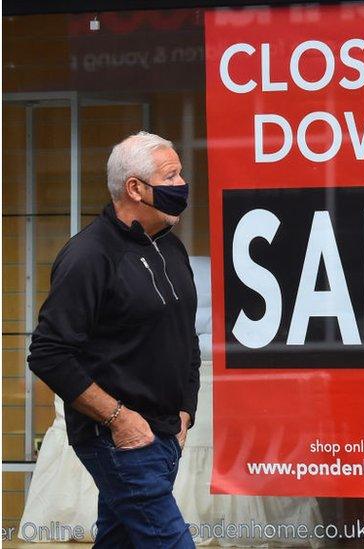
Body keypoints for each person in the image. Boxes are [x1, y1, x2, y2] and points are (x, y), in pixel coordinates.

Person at [28, 131, 199, 548]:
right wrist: (119, 419)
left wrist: (185, 411)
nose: (181, 185)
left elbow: (183, 335)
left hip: (163, 435)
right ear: (135, 188)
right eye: (171, 175)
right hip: (121, 440)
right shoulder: (89, 256)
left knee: (121, 541)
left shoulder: (171, 249)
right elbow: (48, 353)